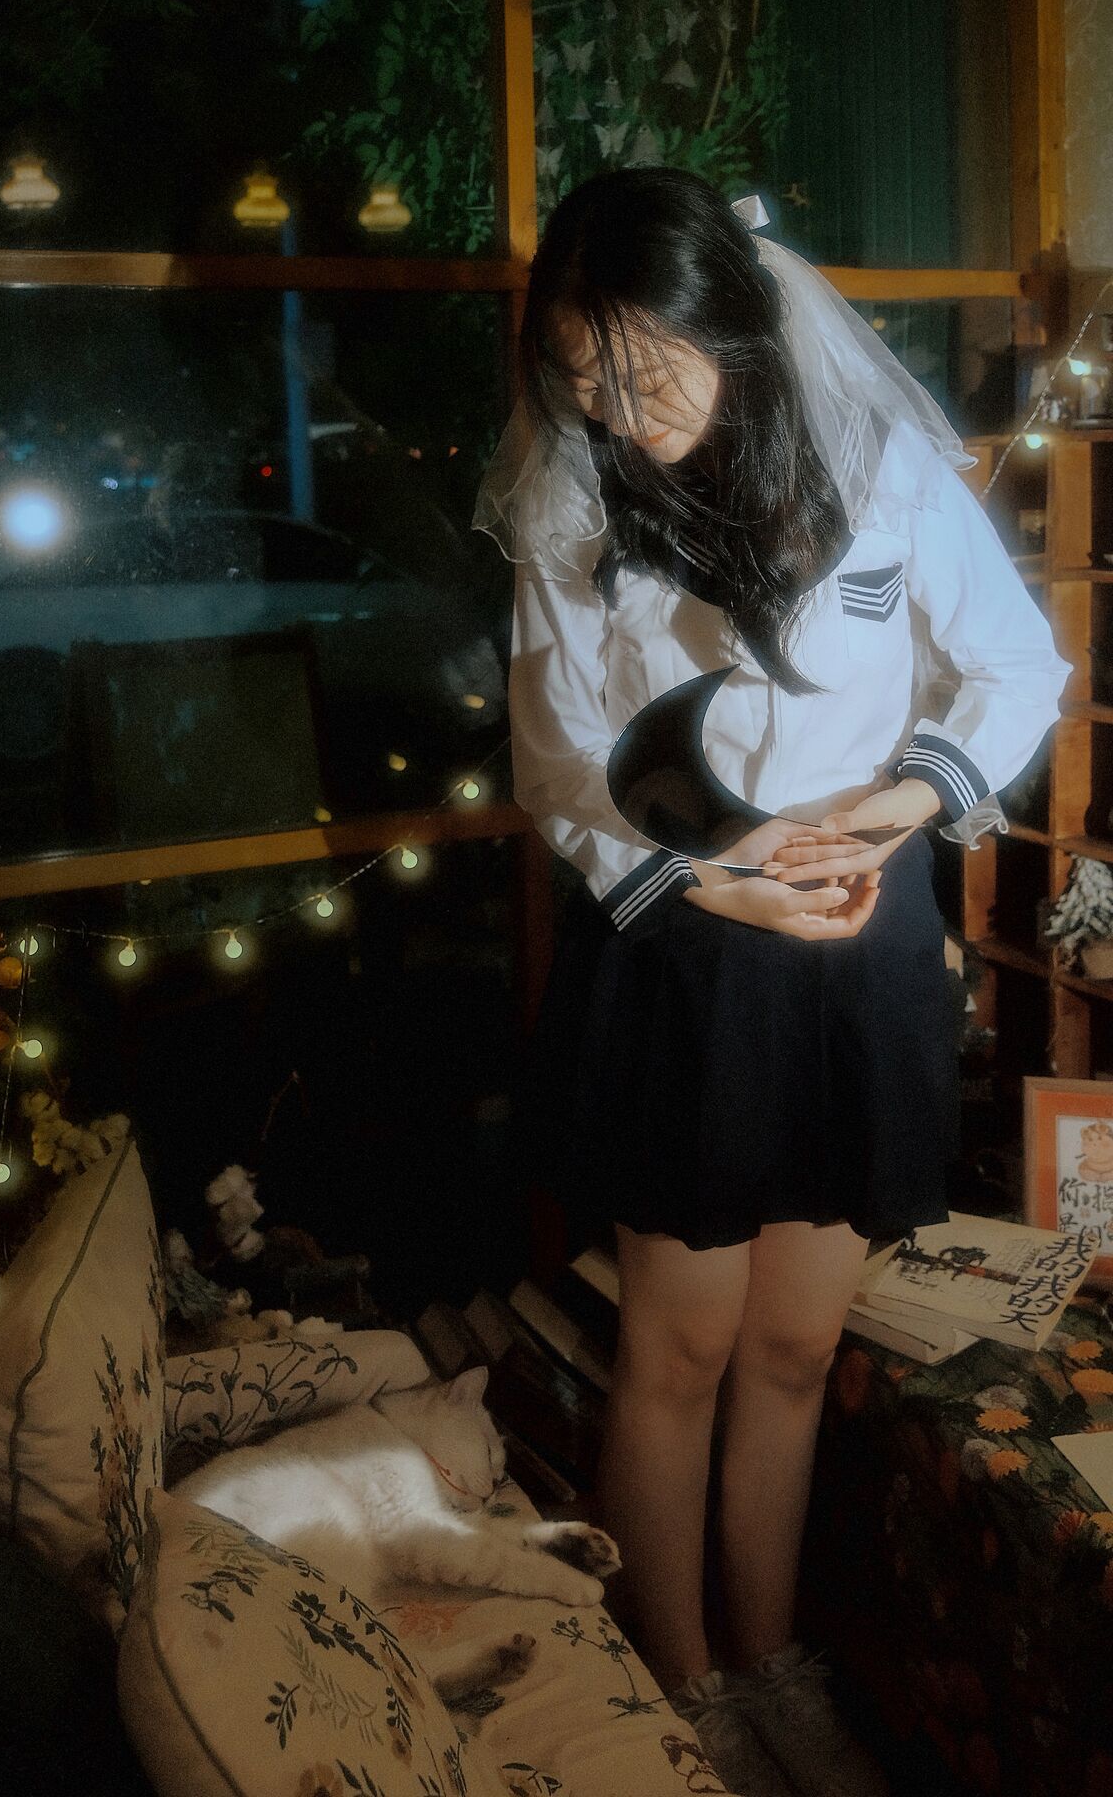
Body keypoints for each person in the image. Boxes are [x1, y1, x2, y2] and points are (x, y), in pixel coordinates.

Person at [472, 169, 1070, 1797]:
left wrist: (889, 813)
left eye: (646, 368)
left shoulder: (877, 463)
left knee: (797, 1349)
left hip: (861, 922)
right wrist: (719, 880)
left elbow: (1018, 663)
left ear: (732, 325)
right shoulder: (573, 500)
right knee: (677, 1351)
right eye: (584, 377)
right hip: (687, 935)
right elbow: (556, 760)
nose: (620, 411)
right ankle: (689, 1695)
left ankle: (778, 1660)